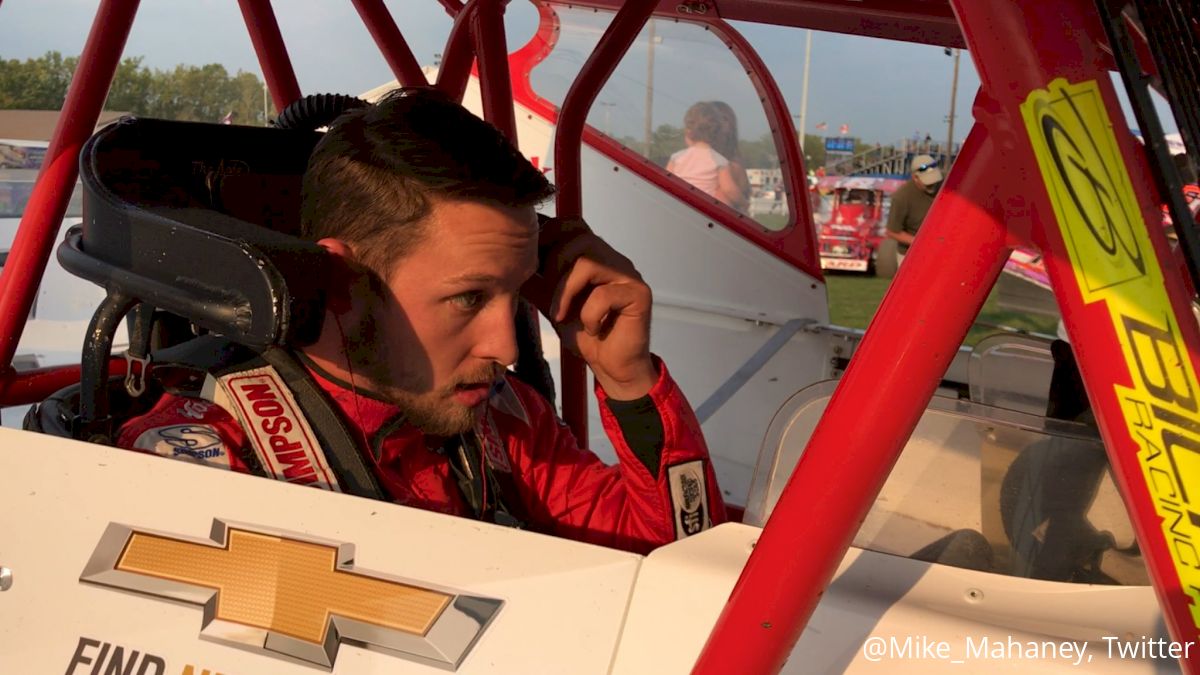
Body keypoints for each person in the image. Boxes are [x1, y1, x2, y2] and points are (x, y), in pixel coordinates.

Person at [116, 88, 725, 554]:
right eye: (467, 298)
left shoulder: (504, 418)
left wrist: (629, 381)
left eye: (514, 294)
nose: (507, 346)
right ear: (344, 280)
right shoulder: (215, 454)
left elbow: (675, 562)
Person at [665, 101, 743, 209]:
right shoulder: (720, 161)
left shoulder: (676, 157)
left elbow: (666, 180)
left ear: (689, 131)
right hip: (703, 208)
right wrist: (744, 202)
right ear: (717, 132)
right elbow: (729, 189)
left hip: (679, 203)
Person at [885, 153, 942, 264]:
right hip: (910, 255)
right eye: (928, 182)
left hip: (940, 251)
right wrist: (922, 242)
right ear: (915, 177)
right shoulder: (901, 197)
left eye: (934, 180)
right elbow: (892, 231)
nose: (933, 185)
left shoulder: (945, 185)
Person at [708, 100, 751, 212]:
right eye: (713, 119)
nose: (718, 124)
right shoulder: (689, 158)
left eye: (724, 119)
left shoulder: (734, 165)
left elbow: (740, 196)